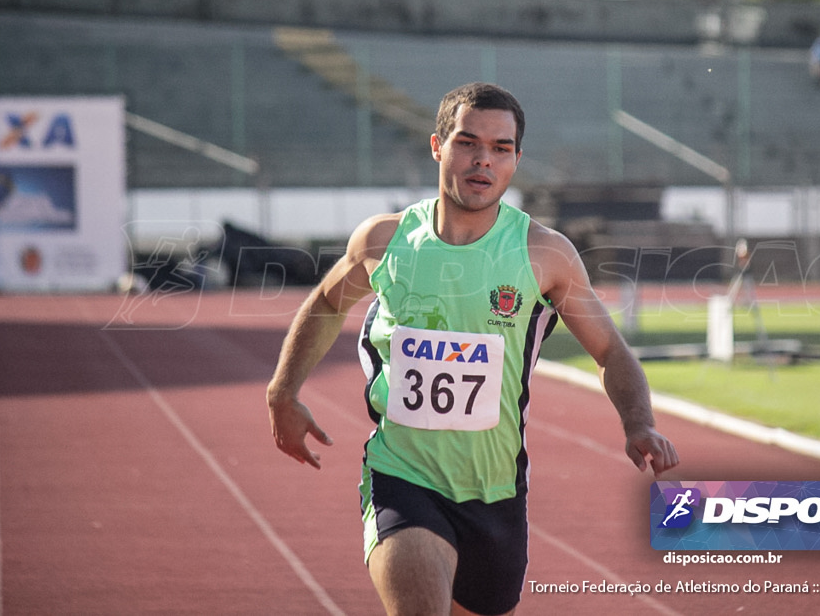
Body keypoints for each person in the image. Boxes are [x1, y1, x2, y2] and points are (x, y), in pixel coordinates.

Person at [265, 82, 680, 616]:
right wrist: (283, 390)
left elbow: (611, 352)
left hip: (496, 495)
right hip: (402, 476)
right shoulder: (385, 242)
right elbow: (325, 304)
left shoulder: (544, 254)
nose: (483, 159)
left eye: (500, 148)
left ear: (515, 160)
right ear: (437, 146)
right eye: (467, 143)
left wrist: (638, 422)